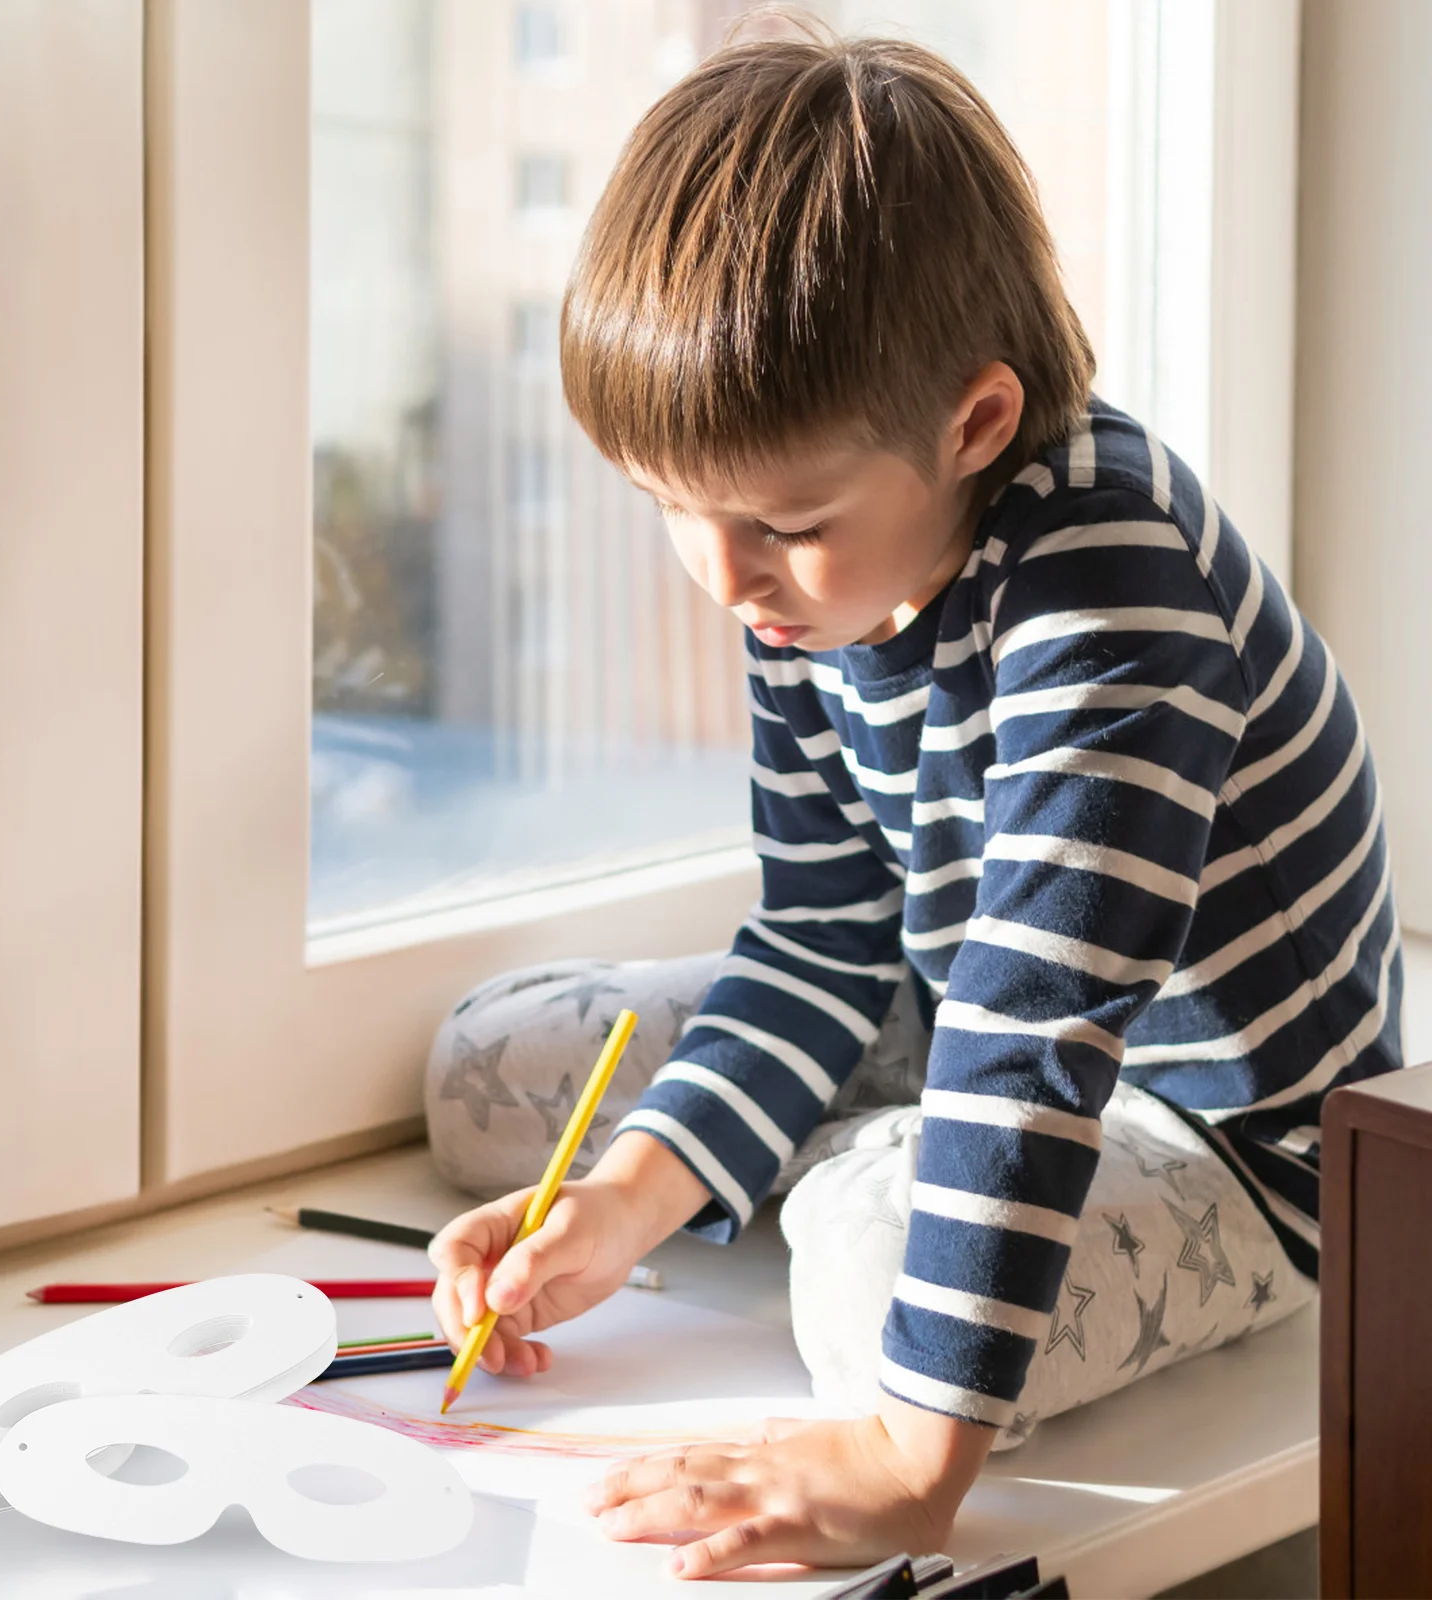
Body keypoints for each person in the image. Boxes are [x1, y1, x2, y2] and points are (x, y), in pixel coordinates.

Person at [422, 26, 1402, 1580]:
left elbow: (1035, 1030)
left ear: (976, 425)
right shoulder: (808, 592)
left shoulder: (1116, 605)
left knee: (871, 1279)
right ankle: (829, 1157)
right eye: (676, 509)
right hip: (962, 1021)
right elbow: (822, 937)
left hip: (1226, 1133)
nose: (726, 577)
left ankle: (863, 1178)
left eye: (784, 520)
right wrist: (617, 1205)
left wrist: (909, 1469)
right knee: (485, 1067)